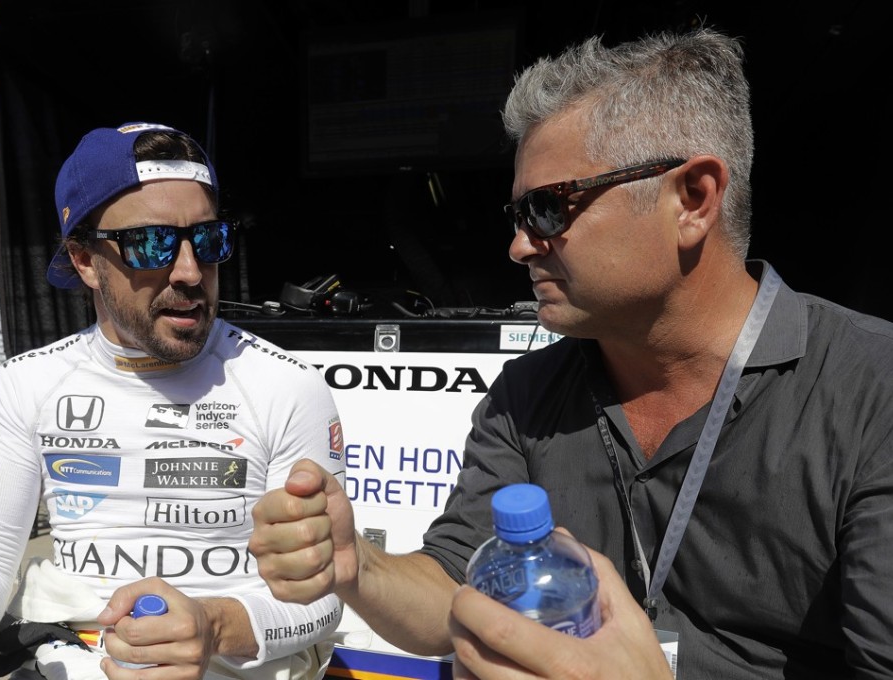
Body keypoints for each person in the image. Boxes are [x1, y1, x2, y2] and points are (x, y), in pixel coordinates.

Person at [247, 28, 893, 679]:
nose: (520, 247)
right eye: (518, 215)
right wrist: (356, 564)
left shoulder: (873, 390)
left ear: (693, 199)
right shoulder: (525, 396)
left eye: (549, 208)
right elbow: (454, 580)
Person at [0, 122, 346, 680]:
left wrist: (215, 625)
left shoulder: (287, 384)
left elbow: (325, 596)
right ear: (84, 261)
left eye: (210, 239)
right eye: (151, 243)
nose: (191, 271)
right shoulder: (25, 383)